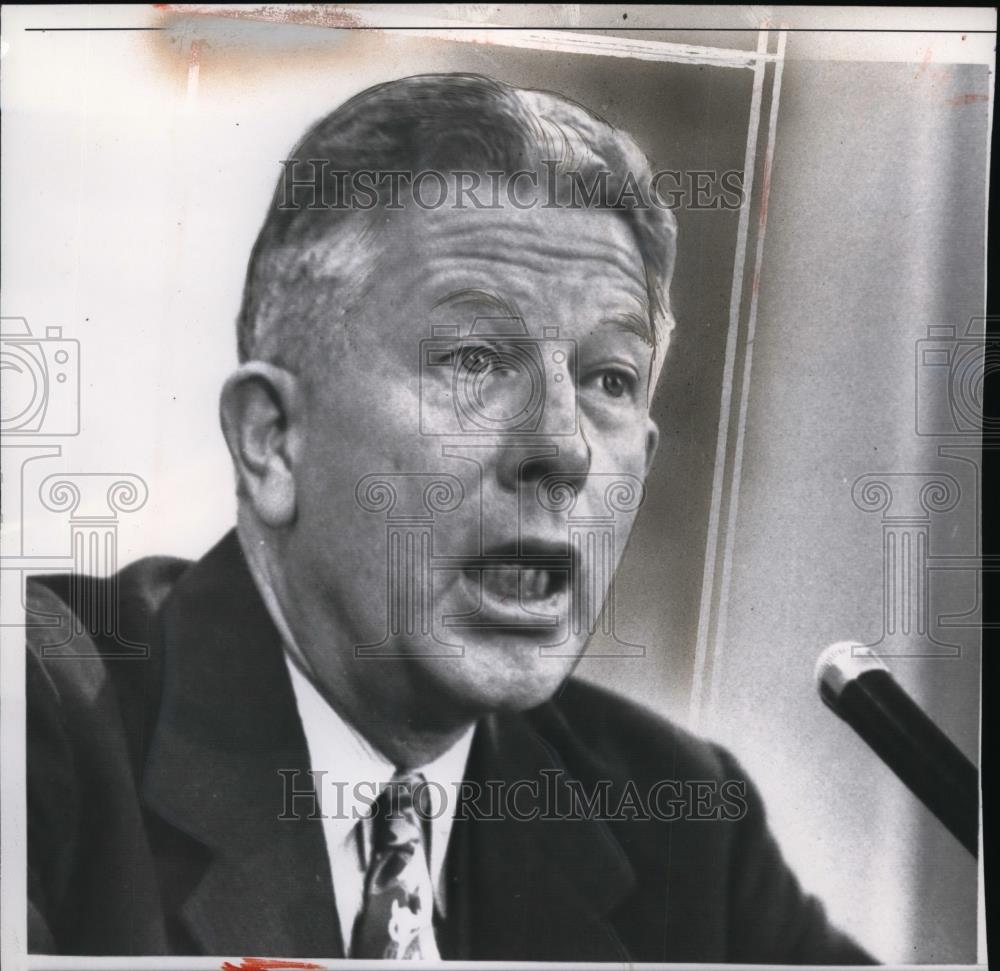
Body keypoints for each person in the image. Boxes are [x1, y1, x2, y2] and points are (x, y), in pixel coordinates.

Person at [26, 73, 874, 963]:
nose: (564, 447)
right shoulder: (41, 714)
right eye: (473, 359)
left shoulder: (680, 820)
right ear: (272, 441)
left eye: (610, 379)